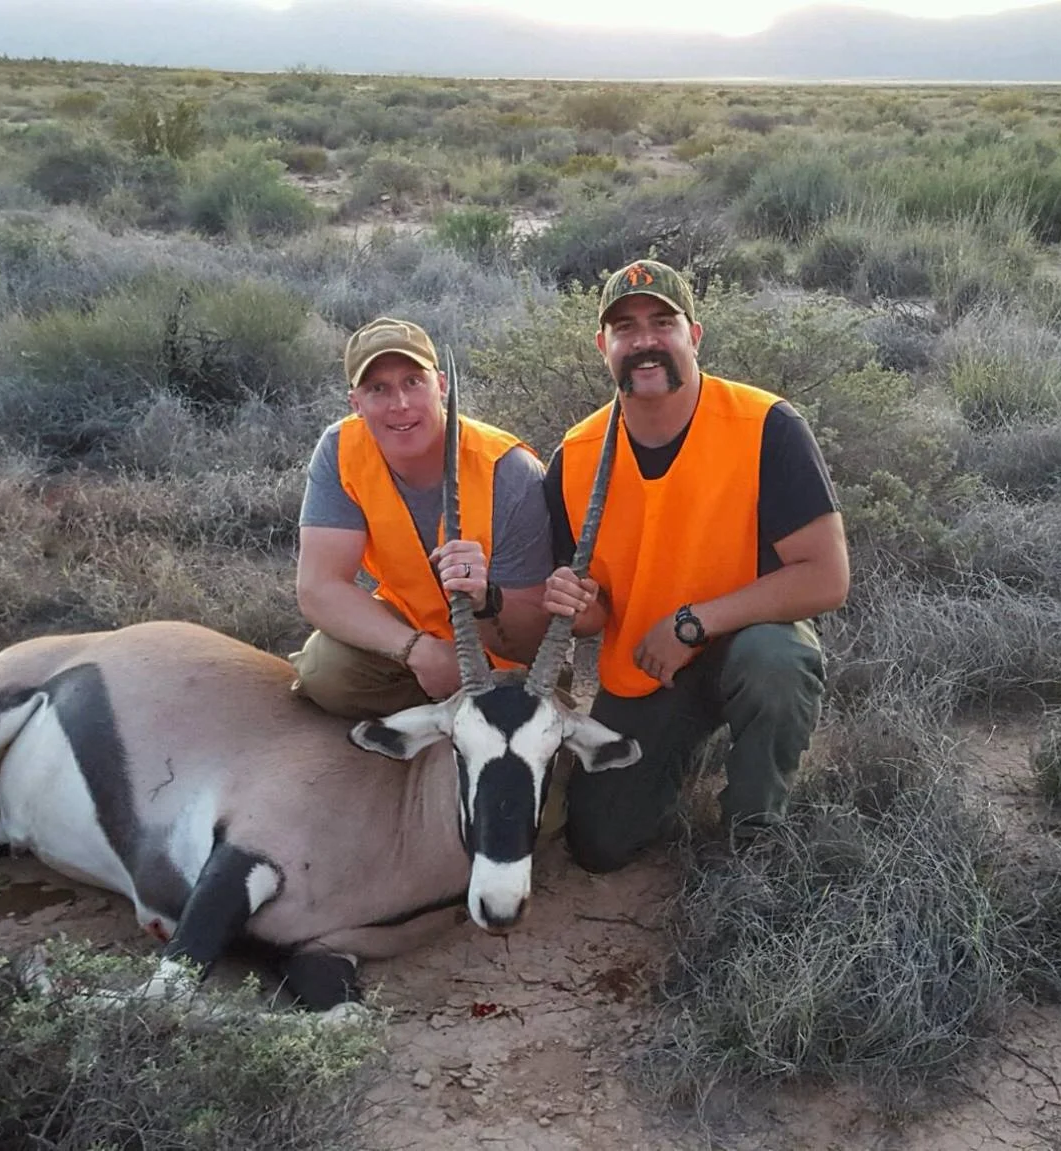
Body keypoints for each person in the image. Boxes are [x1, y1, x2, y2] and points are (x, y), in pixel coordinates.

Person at [540, 260, 851, 872]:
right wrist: (576, 607)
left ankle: (754, 834)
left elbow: (826, 577)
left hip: (743, 643)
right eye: (625, 328)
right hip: (648, 667)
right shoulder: (574, 456)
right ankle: (685, 747)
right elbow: (591, 610)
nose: (645, 341)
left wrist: (693, 625)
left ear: (695, 335)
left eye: (663, 322)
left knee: (777, 663)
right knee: (598, 844)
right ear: (603, 346)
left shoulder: (766, 425)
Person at [292, 316, 553, 719]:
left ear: (442, 385)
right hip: (415, 637)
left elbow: (532, 639)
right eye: (378, 389)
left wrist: (486, 600)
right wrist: (417, 650)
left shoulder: (510, 471)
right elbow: (318, 587)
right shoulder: (341, 451)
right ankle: (437, 730)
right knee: (323, 670)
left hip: (503, 663)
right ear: (355, 404)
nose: (400, 404)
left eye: (413, 381)